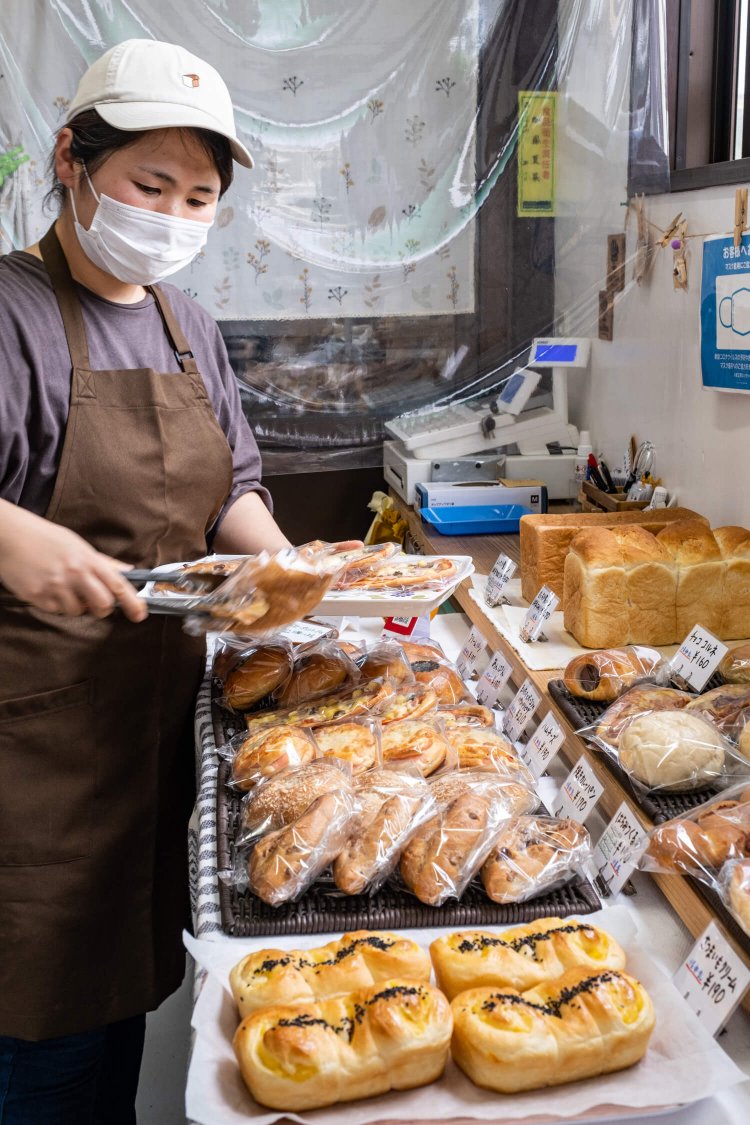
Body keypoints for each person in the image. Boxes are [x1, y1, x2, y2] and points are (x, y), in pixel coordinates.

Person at [0, 38, 290, 1124]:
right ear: (73, 161)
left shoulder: (187, 326)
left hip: (159, 733)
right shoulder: (12, 312)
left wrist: (297, 569)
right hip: (37, 757)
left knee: (117, 1011)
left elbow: (233, 489)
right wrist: (19, 541)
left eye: (199, 196)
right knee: (45, 1031)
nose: (172, 215)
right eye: (148, 184)